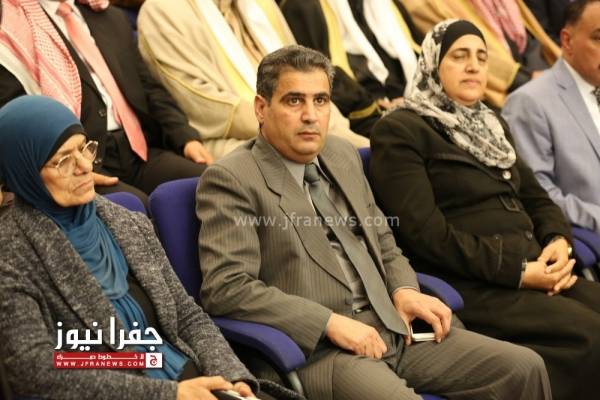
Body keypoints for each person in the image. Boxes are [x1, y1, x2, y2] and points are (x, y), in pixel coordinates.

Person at [197, 44, 552, 400]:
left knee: (524, 367)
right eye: (294, 101)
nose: (310, 115)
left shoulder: (341, 154)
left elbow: (383, 240)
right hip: (324, 350)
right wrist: (329, 323)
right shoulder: (232, 178)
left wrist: (404, 290)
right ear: (261, 108)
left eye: (321, 101)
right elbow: (227, 288)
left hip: (394, 325)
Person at [0, 95, 301, 400]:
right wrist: (168, 393)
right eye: (63, 160)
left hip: (190, 377)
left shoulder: (125, 221)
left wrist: (231, 377)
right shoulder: (11, 253)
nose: (84, 166)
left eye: (84, 148)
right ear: (25, 172)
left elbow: (187, 315)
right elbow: (36, 369)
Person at [369, 19, 600, 400]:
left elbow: (537, 198)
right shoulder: (401, 130)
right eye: (459, 56)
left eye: (481, 57)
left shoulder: (491, 124)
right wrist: (518, 272)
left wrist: (558, 241)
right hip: (476, 284)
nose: (474, 66)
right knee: (591, 339)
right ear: (432, 64)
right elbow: (425, 235)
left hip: (536, 270)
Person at [0, 0, 211, 204]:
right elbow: (16, 119)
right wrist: (69, 167)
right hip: (81, 159)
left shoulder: (111, 17)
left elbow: (148, 87)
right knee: (134, 207)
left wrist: (185, 137)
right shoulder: (11, 30)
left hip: (139, 150)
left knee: (211, 182)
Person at [137, 0, 368, 159]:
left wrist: (330, 122)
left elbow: (304, 74)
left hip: (296, 118)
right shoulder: (163, 10)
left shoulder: (261, 4)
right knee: (330, 155)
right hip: (227, 137)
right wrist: (284, 121)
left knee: (370, 151)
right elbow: (201, 104)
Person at [503, 0, 600, 234]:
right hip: (584, 241)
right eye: (599, 38)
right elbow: (538, 195)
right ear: (567, 41)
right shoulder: (529, 102)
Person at [403, 0, 560, 107]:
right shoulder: (422, 4)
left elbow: (528, 36)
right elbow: (465, 48)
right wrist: (526, 78)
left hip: (532, 67)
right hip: (495, 92)